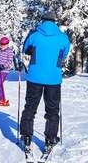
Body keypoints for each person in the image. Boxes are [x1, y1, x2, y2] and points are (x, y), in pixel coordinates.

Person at [19, 12, 70, 151]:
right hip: (53, 78)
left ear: (42, 21)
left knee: (30, 107)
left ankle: (27, 136)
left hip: (34, 76)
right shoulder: (62, 37)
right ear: (55, 21)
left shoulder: (34, 35)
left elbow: (25, 50)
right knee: (52, 109)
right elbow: (64, 53)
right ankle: (50, 138)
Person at [0, 36, 14, 107]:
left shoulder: (9, 51)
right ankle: (2, 99)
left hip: (4, 71)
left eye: (4, 44)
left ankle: (2, 99)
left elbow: (10, 61)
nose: (2, 46)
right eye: (1, 44)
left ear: (7, 44)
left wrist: (4, 66)